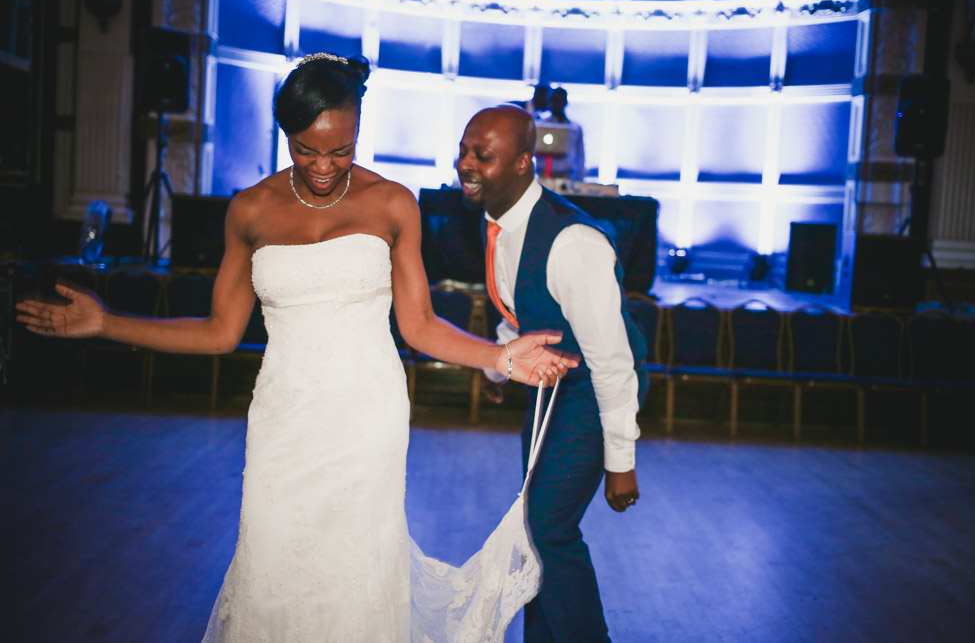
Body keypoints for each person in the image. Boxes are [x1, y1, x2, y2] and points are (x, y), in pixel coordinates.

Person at [16, 54, 579, 642]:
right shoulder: (250, 210)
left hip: (367, 415)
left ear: (359, 129)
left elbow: (418, 327)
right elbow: (218, 332)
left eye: (341, 150)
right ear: (285, 133)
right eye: (307, 149)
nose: (324, 166)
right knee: (274, 560)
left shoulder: (393, 204)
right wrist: (107, 323)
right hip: (284, 417)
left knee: (355, 572)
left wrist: (501, 358)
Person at [456, 104, 648, 642]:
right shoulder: (498, 224)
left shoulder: (574, 243)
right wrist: (500, 372)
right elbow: (518, 317)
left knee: (547, 528)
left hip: (592, 391)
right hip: (548, 387)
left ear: (523, 164)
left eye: (483, 156)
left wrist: (621, 462)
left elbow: (614, 362)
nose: (466, 164)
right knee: (534, 531)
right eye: (465, 151)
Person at [540, 86, 586, 182]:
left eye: (557, 100)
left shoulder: (575, 128)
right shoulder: (540, 126)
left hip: (567, 176)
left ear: (564, 102)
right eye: (551, 101)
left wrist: (580, 178)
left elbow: (580, 155)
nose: (553, 104)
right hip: (543, 176)